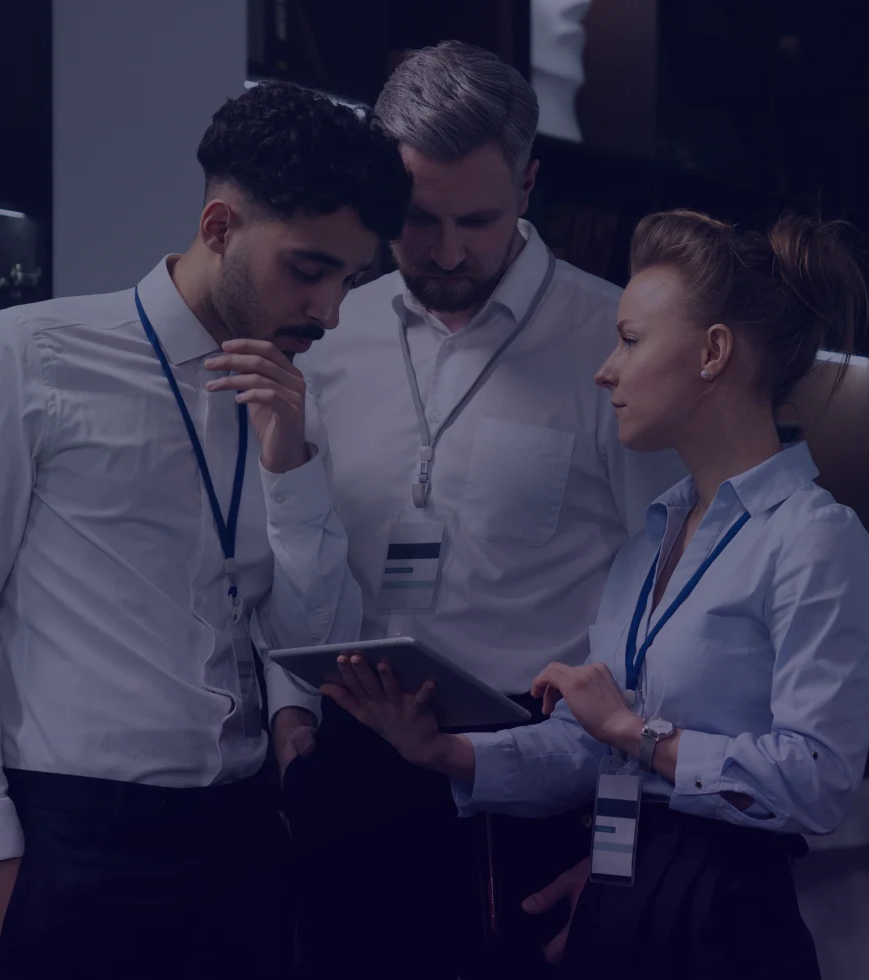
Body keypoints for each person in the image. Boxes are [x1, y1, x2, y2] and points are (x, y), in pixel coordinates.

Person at [0, 81, 410, 979]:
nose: (329, 310)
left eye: (349, 280)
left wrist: (291, 464)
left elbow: (313, 643)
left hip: (243, 842)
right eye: (309, 269)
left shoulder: (294, 394)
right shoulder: (33, 353)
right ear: (219, 227)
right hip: (73, 842)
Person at [323, 209, 869, 979]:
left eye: (629, 340)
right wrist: (444, 752)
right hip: (624, 898)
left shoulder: (814, 539)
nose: (605, 370)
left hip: (726, 919)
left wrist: (633, 730)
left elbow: (817, 782)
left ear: (713, 353)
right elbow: (588, 747)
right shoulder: (650, 540)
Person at [283, 41, 685, 980]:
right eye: (418, 219)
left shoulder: (615, 345)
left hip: (537, 788)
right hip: (355, 773)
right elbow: (293, 552)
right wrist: (291, 728)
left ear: (530, 185)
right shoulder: (330, 338)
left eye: (479, 219)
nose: (448, 251)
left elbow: (673, 614)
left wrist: (626, 851)